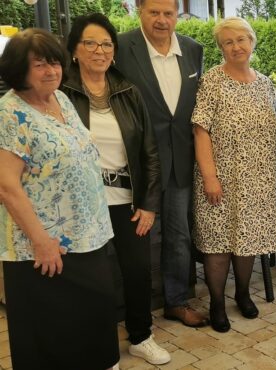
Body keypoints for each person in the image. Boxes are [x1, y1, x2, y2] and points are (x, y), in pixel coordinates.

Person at [0, 28, 119, 370]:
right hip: (44, 248)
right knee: (52, 336)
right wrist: (42, 242)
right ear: (18, 69)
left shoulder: (60, 99)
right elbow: (7, 186)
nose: (51, 71)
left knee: (93, 323)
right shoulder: (10, 114)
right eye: (40, 65)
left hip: (87, 236)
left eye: (54, 62)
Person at [61, 13, 169, 365]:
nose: (99, 50)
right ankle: (100, 345)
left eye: (107, 44)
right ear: (75, 49)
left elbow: (149, 152)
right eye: (90, 43)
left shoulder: (128, 92)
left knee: (138, 273)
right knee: (96, 280)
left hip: (127, 201)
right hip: (83, 205)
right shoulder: (61, 93)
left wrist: (149, 203)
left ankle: (141, 336)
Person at [116, 0, 207, 327]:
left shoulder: (194, 50)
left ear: (177, 16)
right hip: (137, 162)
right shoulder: (122, 46)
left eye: (168, 13)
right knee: (135, 239)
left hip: (180, 159)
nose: (161, 20)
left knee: (179, 235)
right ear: (139, 10)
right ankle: (133, 311)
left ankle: (176, 301)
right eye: (154, 12)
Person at [191, 17, 276, 333]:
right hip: (220, 178)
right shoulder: (212, 81)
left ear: (252, 41)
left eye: (241, 39)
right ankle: (217, 302)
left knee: (248, 240)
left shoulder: (265, 84)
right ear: (221, 48)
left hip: (258, 180)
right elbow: (200, 130)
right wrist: (210, 176)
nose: (236, 46)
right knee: (219, 243)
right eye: (228, 42)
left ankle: (242, 294)